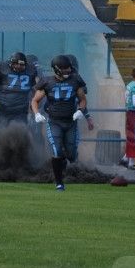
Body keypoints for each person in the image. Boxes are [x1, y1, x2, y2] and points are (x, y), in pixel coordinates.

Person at [31, 54, 94, 191]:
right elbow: (35, 100)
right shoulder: (47, 81)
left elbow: (83, 99)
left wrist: (81, 110)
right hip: (54, 122)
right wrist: (36, 114)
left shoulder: (75, 80)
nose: (68, 71)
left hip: (71, 122)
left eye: (68, 68)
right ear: (56, 69)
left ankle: (62, 162)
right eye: (64, 68)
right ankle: (59, 183)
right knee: (56, 150)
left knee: (71, 154)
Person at [0, 51, 37, 128]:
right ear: (10, 63)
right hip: (2, 110)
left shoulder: (30, 72)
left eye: (21, 65)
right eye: (16, 64)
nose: (18, 66)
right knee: (0, 133)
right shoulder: (2, 71)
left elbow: (36, 92)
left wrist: (32, 110)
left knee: (20, 133)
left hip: (20, 112)